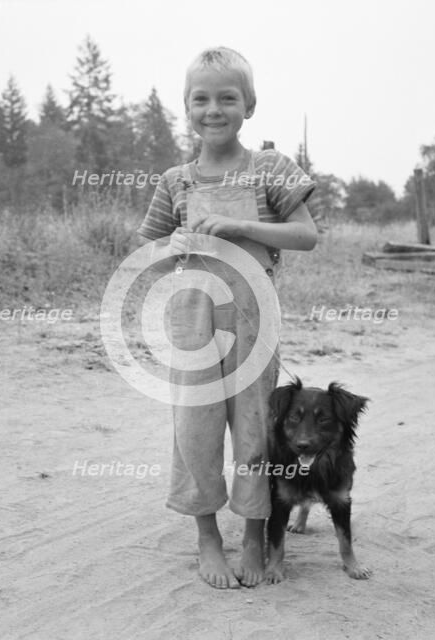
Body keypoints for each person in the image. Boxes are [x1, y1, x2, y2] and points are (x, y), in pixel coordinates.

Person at [137, 46, 317, 588]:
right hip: (193, 318)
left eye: (227, 98)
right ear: (186, 107)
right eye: (201, 99)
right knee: (195, 427)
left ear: (250, 105)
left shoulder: (270, 168)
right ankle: (208, 536)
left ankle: (256, 534)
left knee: (256, 425)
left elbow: (306, 235)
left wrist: (244, 229)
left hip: (251, 316)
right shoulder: (175, 180)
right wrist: (171, 245)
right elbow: (147, 256)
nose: (213, 109)